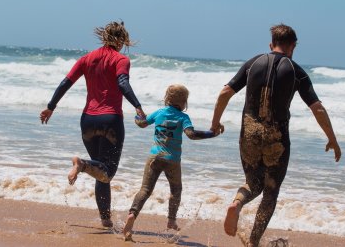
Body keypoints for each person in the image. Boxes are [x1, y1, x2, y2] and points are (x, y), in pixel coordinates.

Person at [210, 24, 341, 247]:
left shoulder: (253, 63)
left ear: (271, 44)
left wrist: (215, 123)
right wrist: (332, 139)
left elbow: (225, 93)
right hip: (277, 139)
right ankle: (253, 242)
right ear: (293, 46)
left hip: (249, 133)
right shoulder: (296, 70)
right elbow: (317, 108)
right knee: (270, 191)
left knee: (253, 183)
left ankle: (237, 204)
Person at [40, 21, 146, 228]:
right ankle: (81, 164)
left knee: (100, 170)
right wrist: (138, 106)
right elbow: (123, 83)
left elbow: (65, 83)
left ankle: (105, 220)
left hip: (88, 120)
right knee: (107, 172)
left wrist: (50, 107)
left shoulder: (86, 59)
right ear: (121, 40)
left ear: (104, 37)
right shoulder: (121, 59)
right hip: (110, 120)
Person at [122, 84, 222, 241]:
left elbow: (141, 123)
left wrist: (137, 115)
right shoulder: (183, 118)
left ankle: (132, 215)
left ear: (166, 99)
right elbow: (192, 135)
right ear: (184, 103)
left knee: (145, 190)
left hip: (154, 157)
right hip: (172, 161)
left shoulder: (159, 112)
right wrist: (211, 133)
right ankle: (171, 219)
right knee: (176, 190)